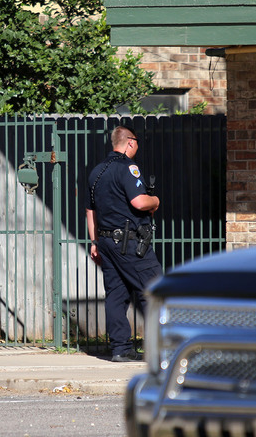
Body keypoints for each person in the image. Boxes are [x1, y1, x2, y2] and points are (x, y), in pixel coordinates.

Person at [86, 125, 163, 362]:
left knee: (116, 295)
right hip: (130, 243)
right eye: (137, 141)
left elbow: (90, 211)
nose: (137, 146)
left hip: (107, 242)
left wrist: (94, 241)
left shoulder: (96, 172)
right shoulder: (128, 168)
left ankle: (120, 348)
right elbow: (139, 202)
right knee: (155, 291)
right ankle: (160, 349)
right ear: (129, 142)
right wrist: (156, 201)